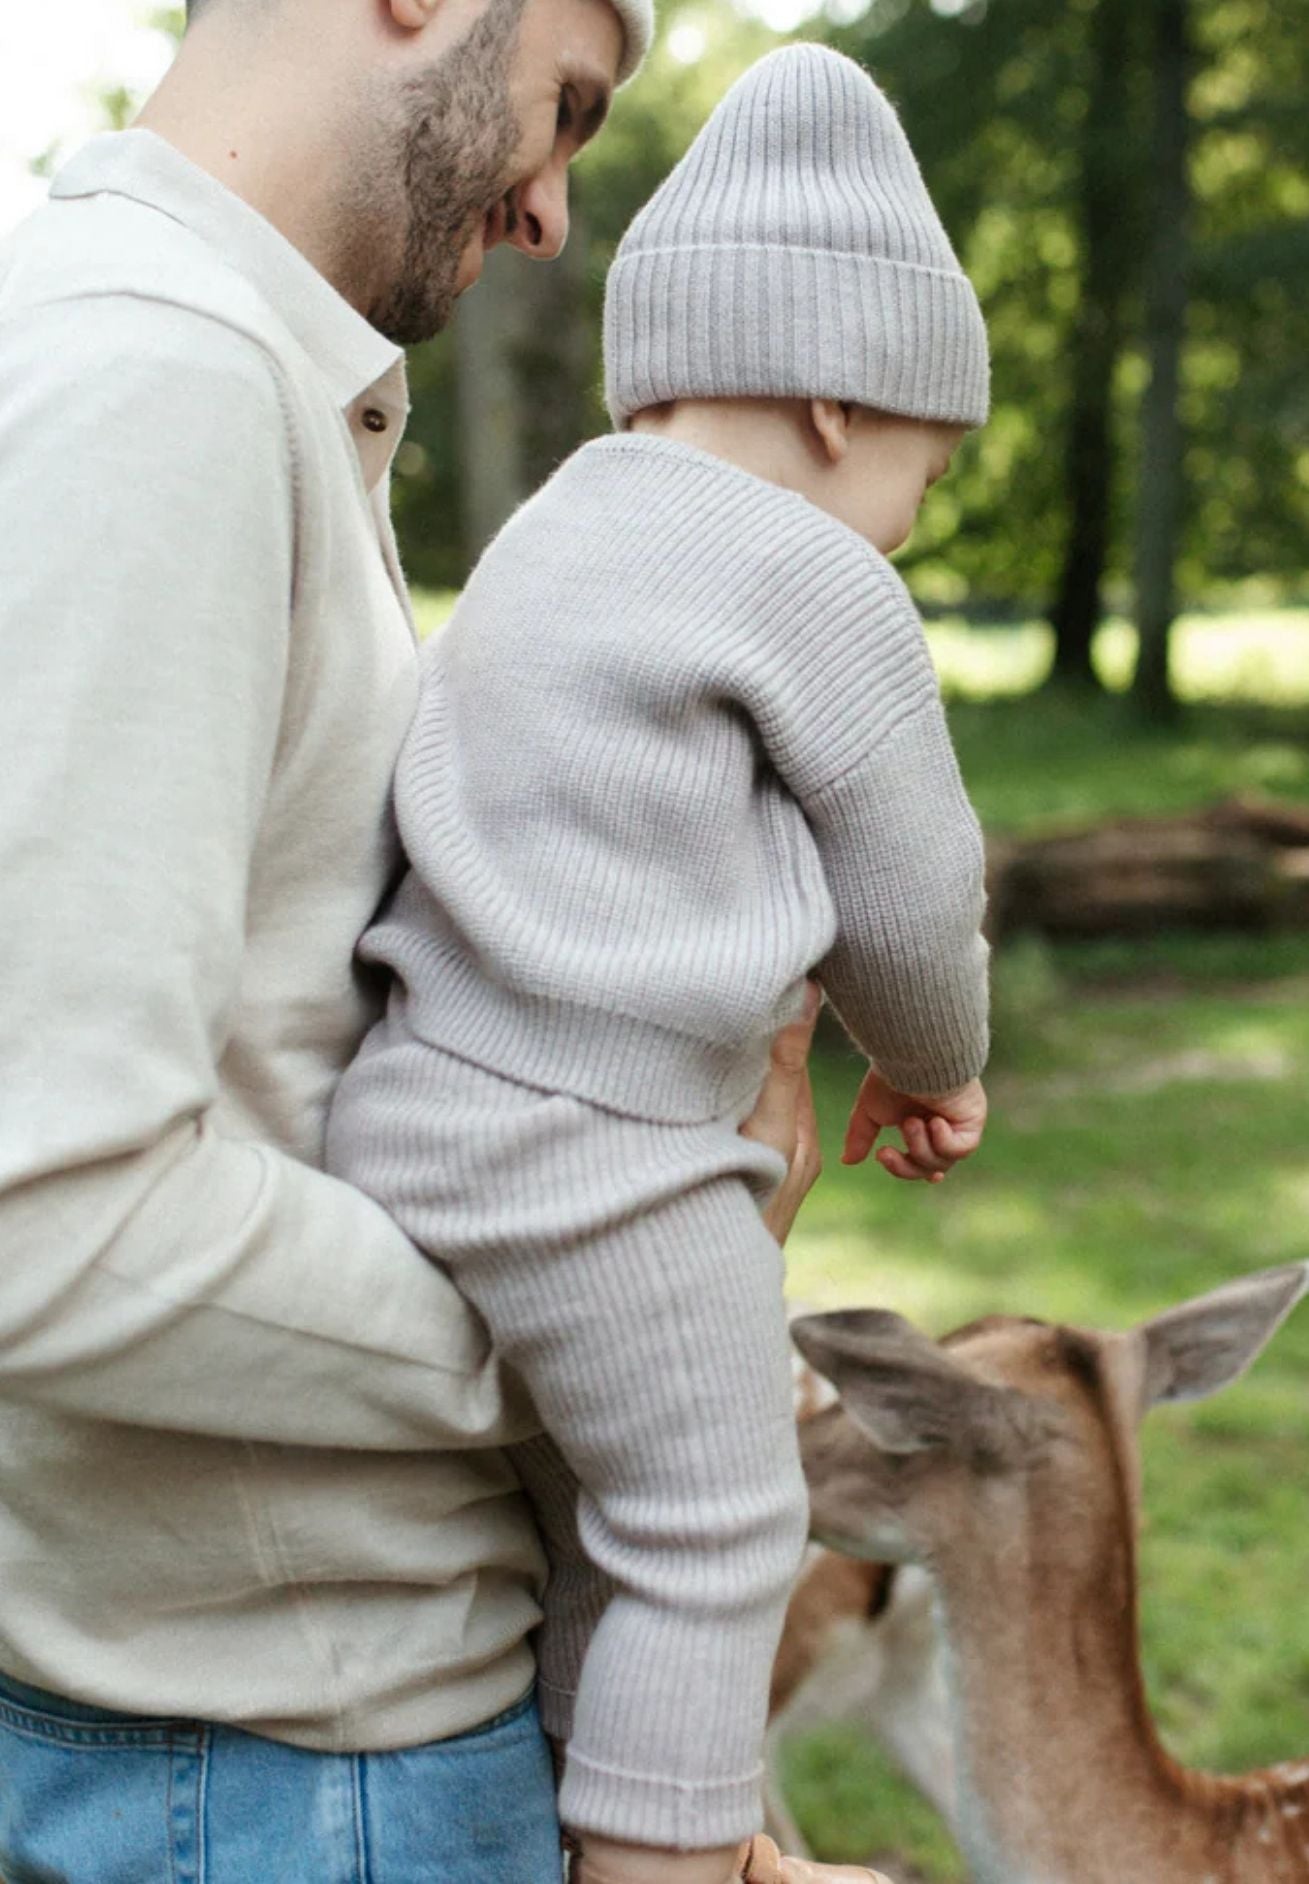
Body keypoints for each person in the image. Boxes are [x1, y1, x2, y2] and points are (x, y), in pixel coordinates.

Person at [0, 0, 841, 1879]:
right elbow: (42, 1201)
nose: (550, 208)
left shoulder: (194, 366)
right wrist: (603, 1318)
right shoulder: (164, 383)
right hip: (295, 1776)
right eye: (565, 105)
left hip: (264, 1742)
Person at [327, 41, 991, 1884]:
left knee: (596, 1529)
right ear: (845, 403)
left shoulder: (554, 528)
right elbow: (914, 886)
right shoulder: (814, 575)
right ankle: (680, 1869)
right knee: (713, 1524)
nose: (910, 523)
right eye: (931, 474)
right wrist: (934, 1059)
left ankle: (629, 1829)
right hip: (608, 1165)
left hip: (410, 1123)